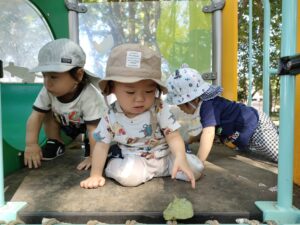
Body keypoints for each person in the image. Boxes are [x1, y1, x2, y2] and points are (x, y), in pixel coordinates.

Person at [80, 43, 204, 189]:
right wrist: (95, 174)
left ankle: (173, 166)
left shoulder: (159, 107)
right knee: (128, 178)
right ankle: (115, 163)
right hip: (136, 160)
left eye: (149, 91)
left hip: (166, 157)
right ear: (112, 88)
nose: (140, 99)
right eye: (130, 92)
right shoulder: (110, 115)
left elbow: (173, 135)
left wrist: (180, 157)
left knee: (196, 169)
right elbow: (101, 145)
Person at [166, 65, 279, 163]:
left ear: (191, 100)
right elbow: (201, 131)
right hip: (247, 130)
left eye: (180, 105)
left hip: (257, 126)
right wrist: (187, 141)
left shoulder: (208, 106)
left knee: (281, 155)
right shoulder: (203, 107)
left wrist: (199, 162)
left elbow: (208, 133)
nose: (181, 109)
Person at [24, 38, 105, 170]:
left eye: (54, 77)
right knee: (45, 111)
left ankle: (91, 147)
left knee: (96, 139)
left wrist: (93, 156)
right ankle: (55, 142)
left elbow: (94, 129)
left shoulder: (89, 95)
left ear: (78, 75)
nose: (47, 83)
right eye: (44, 76)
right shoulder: (48, 91)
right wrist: (31, 144)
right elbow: (36, 117)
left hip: (92, 127)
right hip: (66, 122)